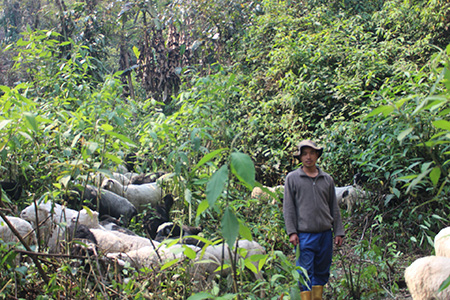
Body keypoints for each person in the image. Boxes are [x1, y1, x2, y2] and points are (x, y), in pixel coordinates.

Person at [283, 140, 345, 300]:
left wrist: (338, 231)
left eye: (311, 153)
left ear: (317, 155)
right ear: (300, 157)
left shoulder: (327, 179)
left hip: (325, 234)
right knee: (304, 270)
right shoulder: (293, 178)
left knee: (322, 270)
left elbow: (334, 207)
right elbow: (288, 207)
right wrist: (292, 232)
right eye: (304, 154)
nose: (308, 157)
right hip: (304, 235)